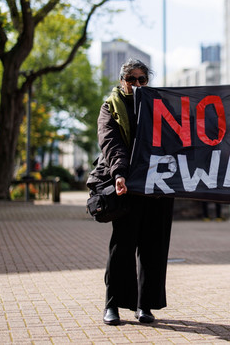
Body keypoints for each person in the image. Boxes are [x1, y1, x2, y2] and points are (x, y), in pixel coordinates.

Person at [92, 58, 174, 326]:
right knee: (123, 247)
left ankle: (145, 305)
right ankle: (113, 304)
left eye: (142, 79)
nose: (137, 84)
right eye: (132, 79)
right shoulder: (110, 107)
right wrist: (119, 174)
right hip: (127, 186)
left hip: (158, 188)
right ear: (122, 81)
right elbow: (111, 144)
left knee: (154, 248)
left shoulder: (160, 106)